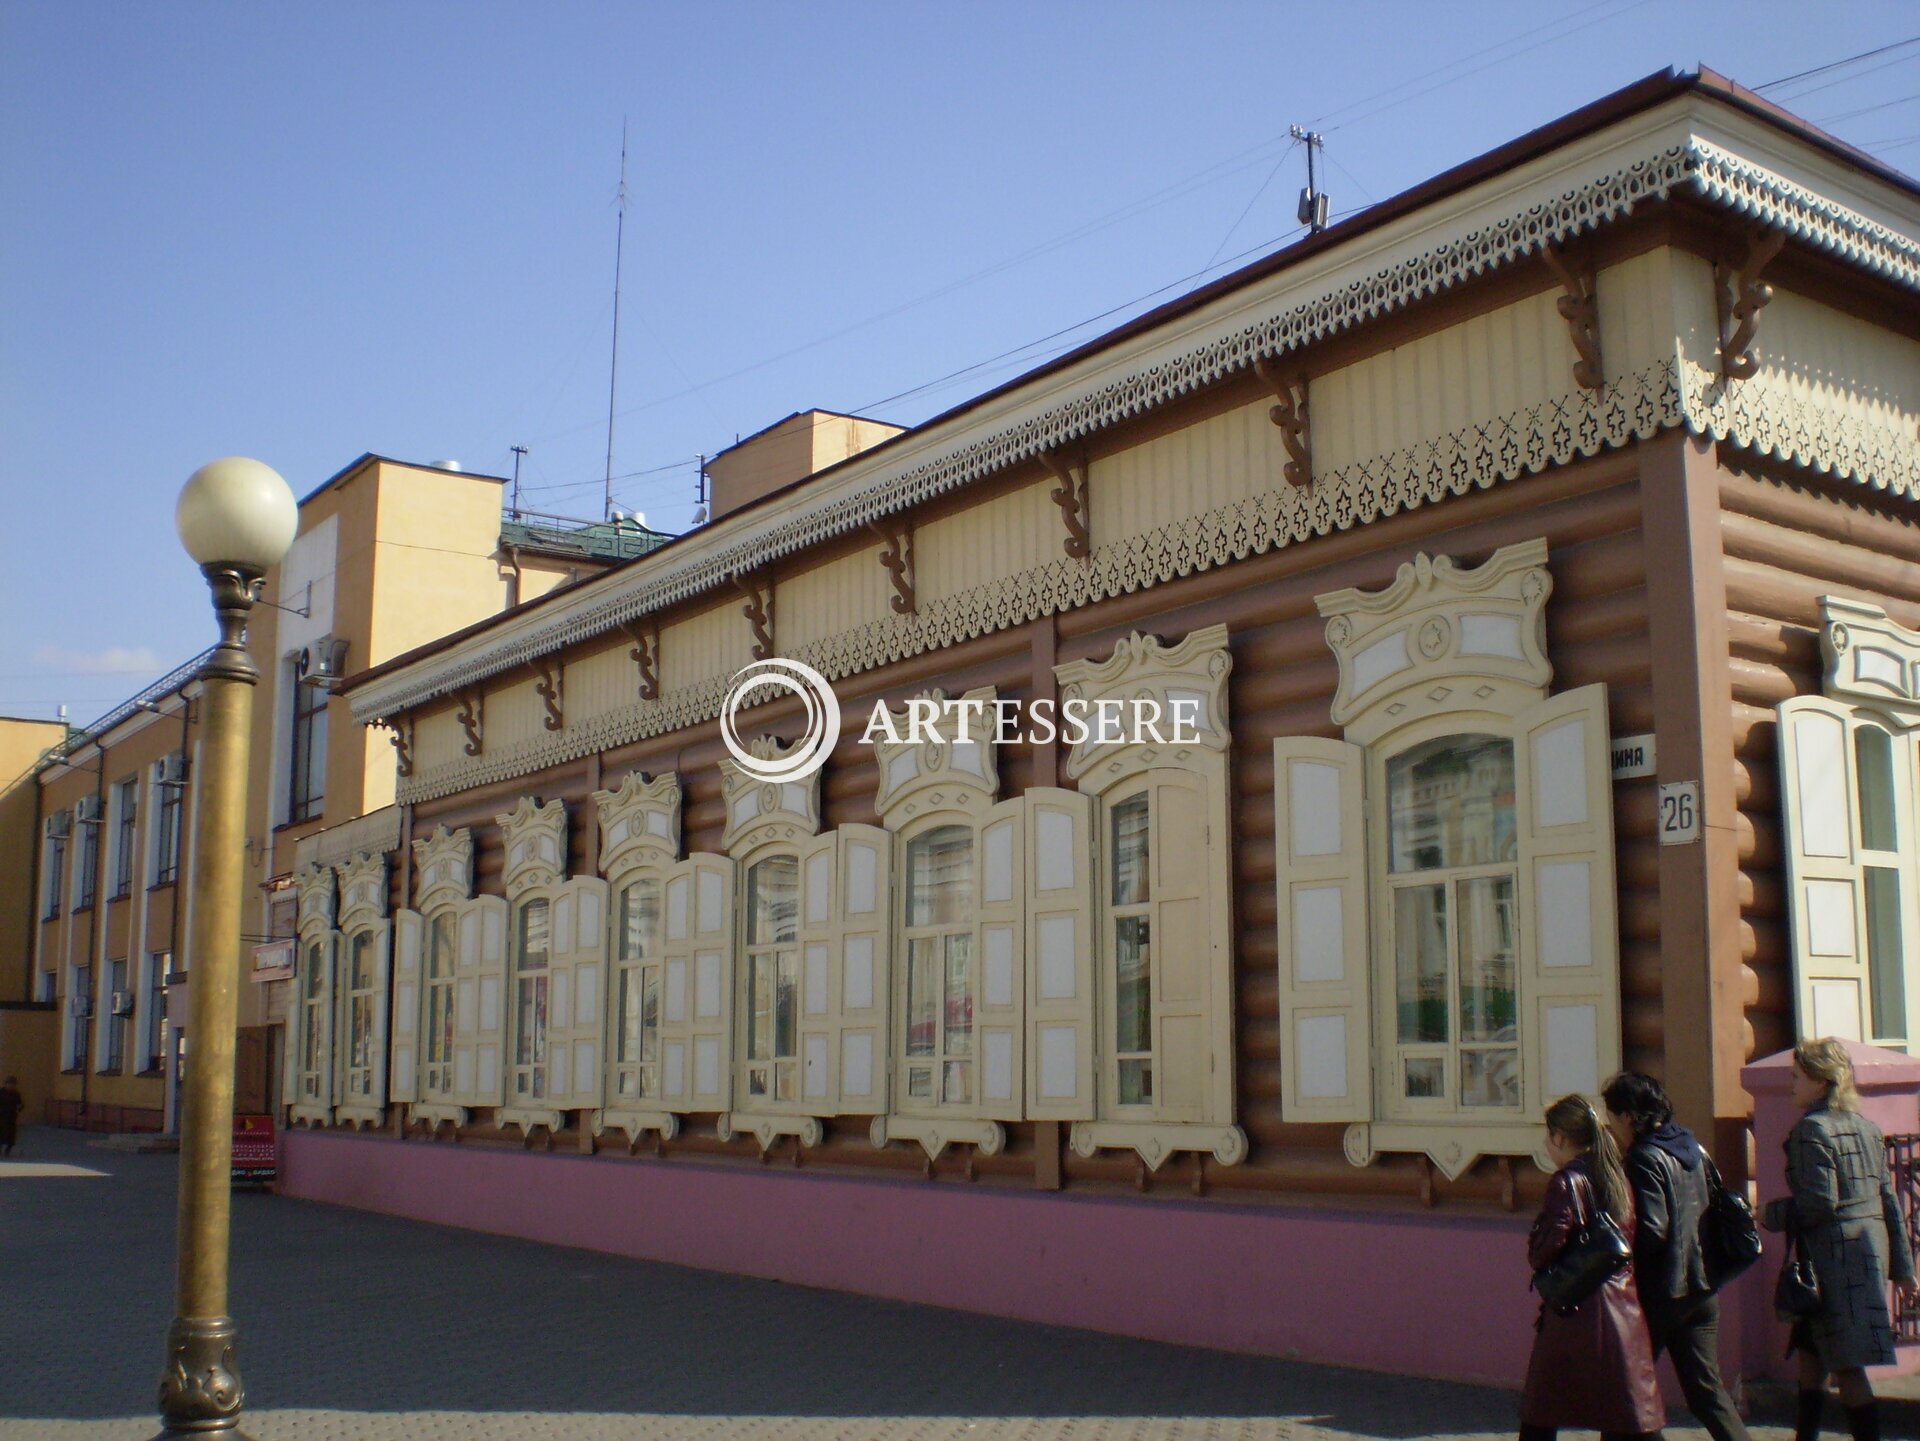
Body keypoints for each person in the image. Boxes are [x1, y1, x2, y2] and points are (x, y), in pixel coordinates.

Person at [1761, 1038, 1918, 1441]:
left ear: (1820, 1082)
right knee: (1812, 1360)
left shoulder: (1811, 1131)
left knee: (1848, 1368)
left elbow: (1817, 1204)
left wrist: (1767, 1214)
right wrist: (1903, 1270)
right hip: (1865, 1256)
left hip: (1831, 1266)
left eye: (1797, 1077)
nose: (1791, 1084)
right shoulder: (1867, 1128)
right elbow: (1888, 1202)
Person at [1602, 1071, 1751, 1441]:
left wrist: (1622, 1265)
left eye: (1610, 1114)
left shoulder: (1643, 1158)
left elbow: (1653, 1228)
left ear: (1626, 1116)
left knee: (1626, 1391)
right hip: (1702, 1290)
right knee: (1707, 1394)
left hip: (1660, 1295)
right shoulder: (1693, 1148)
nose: (1608, 1124)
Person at [1520, 1093, 1666, 1441]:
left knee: (1541, 1413)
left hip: (1575, 1312)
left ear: (1560, 1137)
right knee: (1627, 1416)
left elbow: (1545, 1250)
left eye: (1548, 1136)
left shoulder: (1566, 1182)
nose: (1546, 1144)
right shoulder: (1615, 1174)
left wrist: (1537, 1238)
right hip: (1622, 1310)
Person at [0, 1075, 22, 1157]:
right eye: (9, 1084)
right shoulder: (1, 1092)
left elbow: (20, 1104)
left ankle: (7, 1151)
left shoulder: (16, 1094)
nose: (11, 1086)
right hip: (1, 1117)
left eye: (13, 1084)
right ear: (5, 1084)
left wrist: (20, 1107)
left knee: (11, 1137)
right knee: (1, 1135)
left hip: (11, 1118)